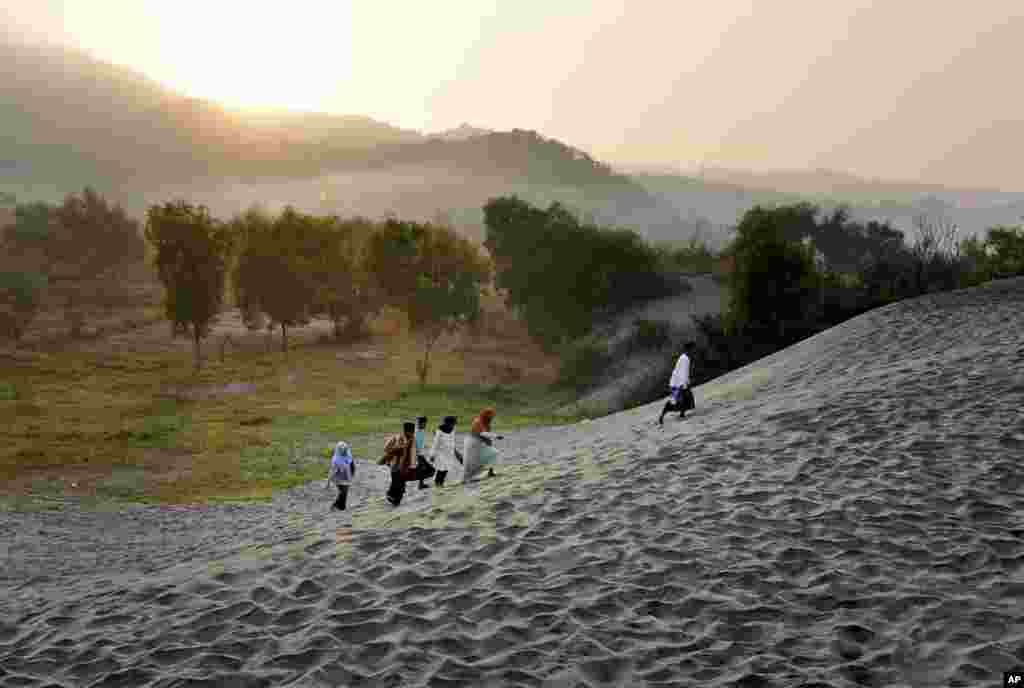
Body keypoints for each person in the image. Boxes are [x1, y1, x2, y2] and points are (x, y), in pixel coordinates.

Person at [658, 341, 697, 426]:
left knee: (684, 400)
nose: (694, 351)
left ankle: (680, 415)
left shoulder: (684, 357)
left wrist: (686, 383)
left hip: (677, 383)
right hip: (678, 384)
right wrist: (683, 385)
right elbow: (683, 373)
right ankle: (662, 416)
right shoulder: (685, 359)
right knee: (677, 401)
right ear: (689, 349)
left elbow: (681, 372)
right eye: (693, 349)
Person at [381, 421, 417, 506]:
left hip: (402, 466)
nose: (413, 433)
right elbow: (386, 448)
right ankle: (393, 497)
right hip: (398, 466)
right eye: (412, 431)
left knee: (399, 483)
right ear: (408, 431)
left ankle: (395, 498)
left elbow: (386, 448)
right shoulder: (402, 439)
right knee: (397, 483)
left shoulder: (406, 438)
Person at [463, 407, 503, 482]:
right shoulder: (477, 421)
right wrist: (496, 436)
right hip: (472, 443)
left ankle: (490, 472)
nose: (492, 418)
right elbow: (482, 433)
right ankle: (467, 478)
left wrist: (490, 444)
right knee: (472, 461)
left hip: (480, 443)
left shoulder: (487, 423)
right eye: (491, 416)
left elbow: (487, 435)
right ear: (486, 415)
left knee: (494, 453)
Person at [428, 415, 463, 487]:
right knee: (441, 469)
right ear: (448, 424)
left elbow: (452, 442)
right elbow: (435, 444)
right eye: (453, 424)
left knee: (446, 468)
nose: (454, 425)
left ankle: (440, 483)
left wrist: (457, 453)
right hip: (441, 453)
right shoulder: (439, 432)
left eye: (454, 424)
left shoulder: (452, 430)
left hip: (449, 452)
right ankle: (438, 483)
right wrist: (432, 455)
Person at [326, 441, 355, 511]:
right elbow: (332, 472)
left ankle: (341, 506)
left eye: (346, 449)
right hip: (339, 478)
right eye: (343, 450)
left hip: (347, 476)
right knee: (343, 492)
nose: (345, 451)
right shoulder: (336, 460)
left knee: (344, 492)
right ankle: (336, 505)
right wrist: (328, 482)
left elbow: (351, 464)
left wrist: (351, 474)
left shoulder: (348, 454)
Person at [414, 416, 433, 490]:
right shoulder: (416, 432)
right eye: (419, 423)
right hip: (417, 455)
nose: (424, 425)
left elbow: (421, 443)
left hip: (420, 455)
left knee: (430, 470)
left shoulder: (421, 431)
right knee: (424, 469)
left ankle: (420, 483)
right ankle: (420, 484)